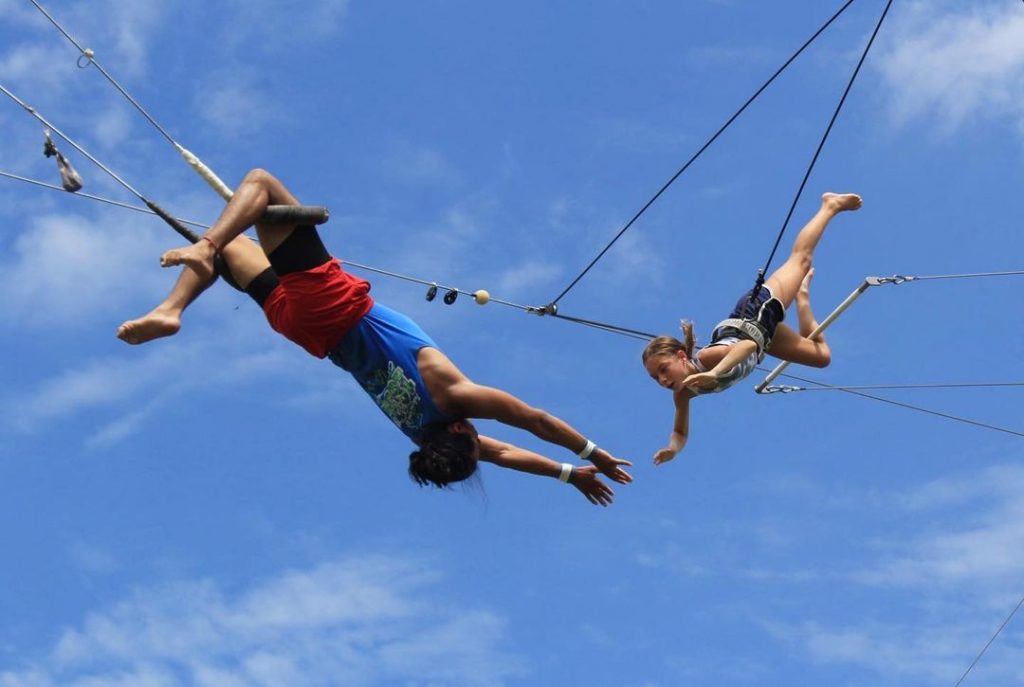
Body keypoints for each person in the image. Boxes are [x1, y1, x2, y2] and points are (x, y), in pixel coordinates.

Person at [118, 169, 632, 505]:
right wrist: (567, 474)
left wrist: (592, 452)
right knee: (239, 250)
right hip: (304, 330)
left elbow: (535, 421)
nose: (484, 442)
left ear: (462, 432)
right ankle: (172, 308)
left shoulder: (455, 397)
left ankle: (195, 264)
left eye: (475, 440)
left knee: (261, 186)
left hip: (333, 308)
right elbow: (503, 455)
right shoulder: (419, 431)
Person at [641, 192, 862, 464]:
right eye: (656, 378)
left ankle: (830, 205)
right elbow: (679, 431)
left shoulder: (707, 359)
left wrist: (715, 373)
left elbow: (746, 346)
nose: (663, 380)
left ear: (681, 356)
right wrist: (672, 449)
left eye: (663, 369)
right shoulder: (683, 394)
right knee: (822, 357)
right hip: (765, 339)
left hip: (758, 312)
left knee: (801, 259)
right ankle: (802, 297)